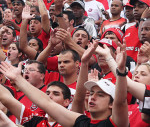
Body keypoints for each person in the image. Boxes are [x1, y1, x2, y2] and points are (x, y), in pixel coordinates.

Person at [0, 51, 129, 127]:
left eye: (100, 95)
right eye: (92, 93)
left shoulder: (115, 124)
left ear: (112, 103)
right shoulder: (81, 122)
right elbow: (46, 103)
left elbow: (121, 102)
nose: (92, 97)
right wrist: (18, 79)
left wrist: (121, 72)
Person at [0, 81, 71, 126]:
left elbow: (78, 100)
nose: (49, 96)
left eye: (56, 94)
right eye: (47, 93)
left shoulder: (73, 123)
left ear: (66, 102)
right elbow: (7, 98)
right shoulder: (34, 120)